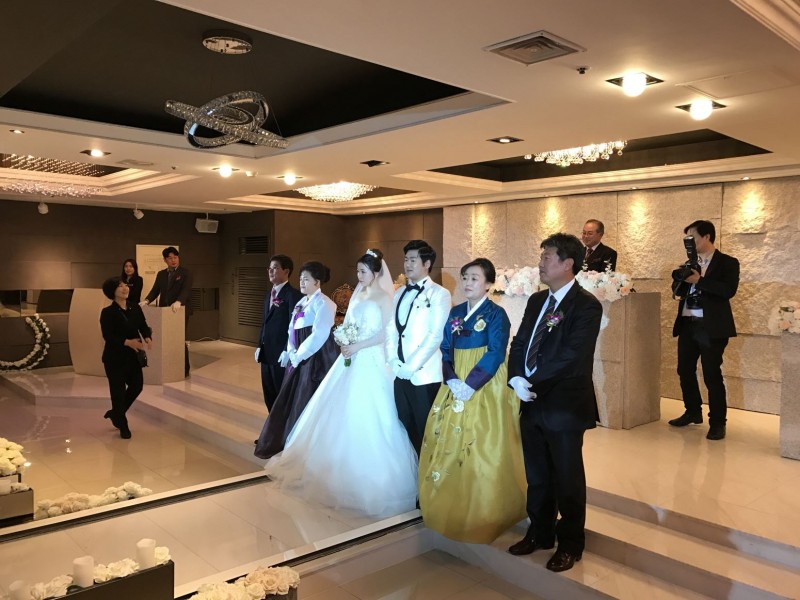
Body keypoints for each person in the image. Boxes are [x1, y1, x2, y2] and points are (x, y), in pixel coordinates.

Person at [264, 250, 418, 517]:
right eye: (357, 271)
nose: (359, 276)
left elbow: (386, 333)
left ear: (376, 273)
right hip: (350, 356)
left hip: (371, 358)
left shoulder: (385, 298)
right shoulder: (358, 295)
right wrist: (345, 340)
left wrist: (358, 345)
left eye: (363, 272)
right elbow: (348, 323)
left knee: (372, 414)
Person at [507, 233, 602, 573]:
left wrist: (532, 381)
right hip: (531, 402)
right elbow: (520, 343)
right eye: (541, 257)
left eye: (547, 257)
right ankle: (540, 531)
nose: (541, 263)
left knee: (567, 477)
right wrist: (515, 377)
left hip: (563, 405)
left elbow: (572, 356)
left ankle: (571, 543)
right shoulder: (537, 301)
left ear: (567, 263)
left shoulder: (586, 305)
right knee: (537, 474)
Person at [418, 258, 526, 543]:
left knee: (480, 439)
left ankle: (485, 509)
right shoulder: (455, 312)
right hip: (456, 381)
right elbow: (445, 347)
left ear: (489, 284)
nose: (467, 282)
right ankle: (449, 502)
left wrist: (471, 384)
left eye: (475, 278)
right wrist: (451, 377)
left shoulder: (496, 314)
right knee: (448, 439)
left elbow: (496, 351)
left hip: (484, 380)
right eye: (465, 277)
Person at [254, 261, 338, 460]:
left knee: (306, 397)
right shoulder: (302, 302)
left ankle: (308, 443)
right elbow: (291, 329)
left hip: (314, 358)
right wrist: (290, 351)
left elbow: (320, 333)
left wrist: (300, 355)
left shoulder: (325, 303)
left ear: (317, 281)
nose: (301, 282)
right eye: (300, 278)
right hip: (297, 356)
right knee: (290, 397)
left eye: (306, 279)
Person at [669, 220, 739, 441]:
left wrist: (700, 280)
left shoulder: (728, 262)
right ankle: (693, 411)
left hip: (712, 327)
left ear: (707, 236)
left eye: (693, 238)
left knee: (711, 374)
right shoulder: (689, 263)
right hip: (688, 324)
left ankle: (718, 422)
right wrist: (680, 278)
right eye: (687, 239)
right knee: (684, 370)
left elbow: (728, 290)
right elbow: (677, 291)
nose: (689, 243)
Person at [386, 240, 451, 455]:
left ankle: (429, 474)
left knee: (427, 432)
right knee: (404, 428)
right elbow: (391, 329)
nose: (407, 264)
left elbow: (435, 335)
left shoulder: (439, 294)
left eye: (413, 260)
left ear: (427, 263)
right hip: (399, 373)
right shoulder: (398, 293)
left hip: (424, 375)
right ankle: (412, 473)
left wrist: (411, 366)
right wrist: (393, 360)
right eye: (406, 259)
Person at [100, 277, 152, 439]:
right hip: (114, 358)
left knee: (137, 386)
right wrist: (128, 342)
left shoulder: (135, 307)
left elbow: (143, 325)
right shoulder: (108, 312)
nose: (125, 288)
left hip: (132, 357)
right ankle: (122, 424)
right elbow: (108, 336)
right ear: (112, 292)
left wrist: (147, 336)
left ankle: (116, 413)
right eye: (120, 286)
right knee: (118, 392)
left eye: (125, 285)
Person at [255, 255, 303, 412]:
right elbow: (264, 323)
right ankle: (272, 425)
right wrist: (259, 345)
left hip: (281, 354)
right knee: (268, 393)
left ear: (286, 271)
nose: (270, 271)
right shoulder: (268, 295)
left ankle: (282, 426)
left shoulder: (293, 295)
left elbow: (294, 326)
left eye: (275, 268)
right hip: (266, 353)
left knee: (281, 394)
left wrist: (286, 350)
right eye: (269, 268)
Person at [141, 246, 193, 377]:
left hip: (179, 311)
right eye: (170, 258)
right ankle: (167, 367)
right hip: (164, 311)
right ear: (165, 260)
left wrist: (179, 301)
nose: (173, 260)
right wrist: (147, 300)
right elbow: (155, 290)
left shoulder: (185, 273)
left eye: (175, 257)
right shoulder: (161, 274)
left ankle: (184, 369)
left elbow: (186, 290)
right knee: (165, 339)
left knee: (179, 339)